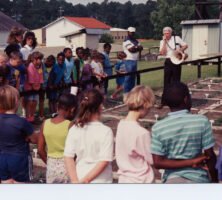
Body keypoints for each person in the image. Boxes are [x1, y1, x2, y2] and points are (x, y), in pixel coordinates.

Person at [151, 82, 218, 183]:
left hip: (171, 181)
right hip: (198, 179)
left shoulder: (158, 127)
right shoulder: (201, 121)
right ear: (186, 99)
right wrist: (214, 181)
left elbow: (158, 162)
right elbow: (210, 156)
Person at [64, 89, 114, 183]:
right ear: (100, 106)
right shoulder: (106, 131)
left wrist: (75, 180)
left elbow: (68, 157)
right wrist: (85, 181)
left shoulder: (74, 129)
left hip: (80, 176)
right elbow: (104, 160)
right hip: (101, 181)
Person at [115, 85, 155, 183]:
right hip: (141, 180)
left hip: (124, 179)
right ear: (145, 104)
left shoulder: (121, 124)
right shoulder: (141, 133)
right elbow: (152, 160)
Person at [0, 85, 38, 183]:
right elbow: (35, 139)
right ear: (17, 101)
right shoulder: (22, 122)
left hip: (3, 156)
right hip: (20, 158)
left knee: (6, 184)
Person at [38, 93, 78, 183]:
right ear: (72, 109)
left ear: (57, 107)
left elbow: (40, 150)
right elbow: (77, 151)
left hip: (51, 168)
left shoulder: (45, 123)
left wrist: (50, 163)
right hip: (68, 166)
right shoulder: (70, 125)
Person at [158, 26, 188, 109]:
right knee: (166, 82)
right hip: (168, 61)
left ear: (171, 33)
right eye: (164, 33)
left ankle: (177, 101)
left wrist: (179, 50)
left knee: (176, 81)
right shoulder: (162, 41)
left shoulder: (177, 38)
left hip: (176, 60)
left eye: (167, 33)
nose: (166, 35)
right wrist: (164, 42)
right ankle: (163, 102)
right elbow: (163, 53)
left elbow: (185, 45)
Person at [24, 51, 44, 122]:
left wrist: (39, 84)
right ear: (34, 59)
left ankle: (31, 117)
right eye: (39, 59)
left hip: (37, 87)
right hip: (29, 87)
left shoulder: (40, 66)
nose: (40, 61)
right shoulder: (31, 66)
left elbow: (41, 75)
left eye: (41, 59)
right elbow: (31, 77)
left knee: (35, 102)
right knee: (30, 102)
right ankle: (27, 117)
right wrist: (34, 86)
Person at [122, 27, 143, 94]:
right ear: (128, 32)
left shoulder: (135, 40)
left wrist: (135, 47)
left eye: (133, 32)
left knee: (133, 78)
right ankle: (126, 94)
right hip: (128, 60)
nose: (132, 34)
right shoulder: (126, 40)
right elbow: (131, 50)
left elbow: (141, 47)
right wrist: (137, 47)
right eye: (131, 32)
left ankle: (132, 94)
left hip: (134, 60)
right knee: (128, 78)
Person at [38, 55, 56, 121]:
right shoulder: (41, 65)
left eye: (52, 65)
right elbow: (39, 75)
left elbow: (48, 76)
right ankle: (41, 115)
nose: (51, 66)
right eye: (50, 64)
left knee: (44, 100)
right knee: (41, 100)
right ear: (47, 61)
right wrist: (41, 85)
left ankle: (43, 114)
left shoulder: (50, 67)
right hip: (40, 86)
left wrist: (48, 84)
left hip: (46, 86)